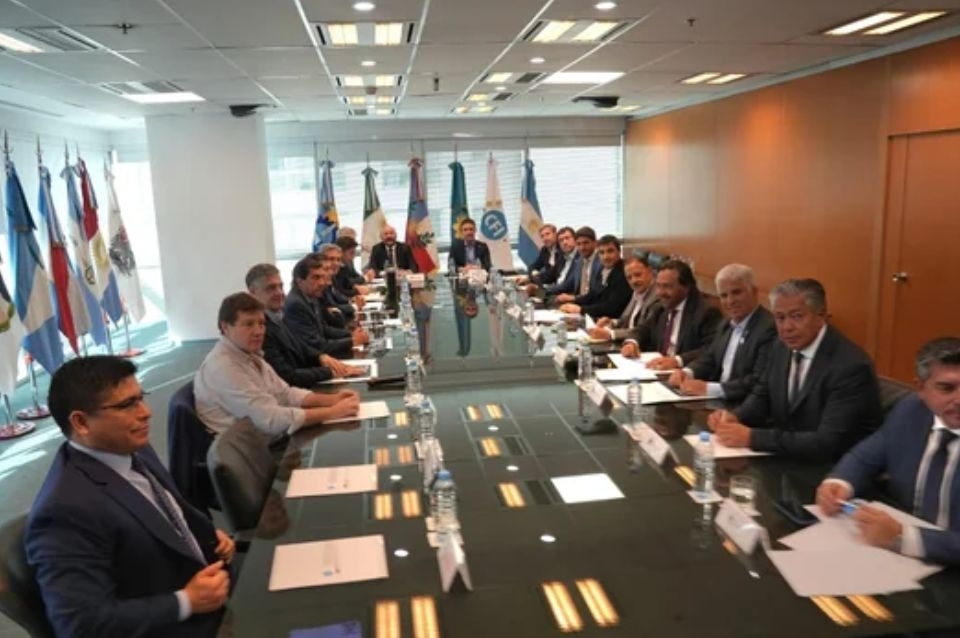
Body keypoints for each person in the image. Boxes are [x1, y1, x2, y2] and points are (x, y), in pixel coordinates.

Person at [26, 356, 235, 637]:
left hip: (217, 588)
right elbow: (78, 624)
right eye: (127, 405)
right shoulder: (64, 511)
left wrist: (207, 536)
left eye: (141, 398)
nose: (146, 412)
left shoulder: (132, 448)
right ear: (81, 422)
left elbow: (169, 512)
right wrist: (185, 602)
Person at [816, 337, 960, 565]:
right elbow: (864, 457)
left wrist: (905, 537)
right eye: (947, 388)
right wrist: (840, 482)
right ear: (920, 388)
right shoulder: (910, 411)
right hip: (896, 556)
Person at [708, 278, 882, 461]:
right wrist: (735, 418)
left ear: (821, 316)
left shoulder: (850, 366)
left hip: (833, 467)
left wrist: (752, 438)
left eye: (797, 316)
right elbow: (762, 397)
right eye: (780, 318)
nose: (787, 327)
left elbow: (827, 442)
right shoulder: (780, 347)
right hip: (788, 457)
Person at [194, 292, 360, 437]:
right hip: (254, 452)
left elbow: (286, 394)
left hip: (266, 437)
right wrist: (332, 412)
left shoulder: (248, 354)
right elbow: (271, 420)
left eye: (261, 323)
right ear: (225, 327)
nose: (258, 331)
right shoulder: (223, 368)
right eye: (249, 324)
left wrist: (332, 399)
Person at [667, 264, 776, 402]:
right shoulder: (726, 324)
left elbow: (757, 380)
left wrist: (709, 389)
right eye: (724, 295)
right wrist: (687, 372)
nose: (730, 301)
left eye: (737, 293)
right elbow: (710, 358)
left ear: (754, 292)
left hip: (743, 405)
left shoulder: (768, 328)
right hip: (716, 400)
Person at [246, 263, 365, 388]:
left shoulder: (277, 316)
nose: (279, 292)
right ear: (252, 292)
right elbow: (286, 376)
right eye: (271, 288)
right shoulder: (259, 329)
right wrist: (330, 372)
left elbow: (300, 346)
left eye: (280, 286)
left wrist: (320, 357)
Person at [621, 259, 722, 369]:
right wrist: (632, 342)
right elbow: (642, 329)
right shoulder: (660, 308)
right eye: (658, 286)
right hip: (658, 368)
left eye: (667, 286)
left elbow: (710, 349)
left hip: (685, 372)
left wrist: (677, 360)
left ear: (686, 287)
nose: (660, 293)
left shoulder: (706, 312)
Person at [285, 255, 367, 358]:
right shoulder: (296, 305)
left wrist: (350, 334)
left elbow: (323, 329)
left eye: (322, 277)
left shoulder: (311, 296)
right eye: (316, 277)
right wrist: (352, 341)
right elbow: (316, 345)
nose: (322, 283)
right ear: (300, 281)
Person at [558, 235, 631, 320]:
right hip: (599, 316)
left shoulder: (624, 272)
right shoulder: (604, 269)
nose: (606, 257)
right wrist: (574, 301)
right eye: (601, 252)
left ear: (619, 252)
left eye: (610, 251)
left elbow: (612, 307)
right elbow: (593, 294)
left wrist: (581, 309)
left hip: (611, 321)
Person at [588, 256, 658, 341]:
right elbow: (625, 319)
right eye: (629, 278)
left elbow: (643, 332)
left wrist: (611, 334)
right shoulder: (637, 291)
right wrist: (612, 322)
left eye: (638, 275)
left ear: (650, 271)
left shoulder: (657, 297)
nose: (634, 281)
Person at [553, 226, 601, 300]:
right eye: (579, 244)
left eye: (586, 243)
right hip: (579, 302)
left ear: (595, 243)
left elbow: (596, 294)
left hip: (591, 304)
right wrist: (540, 290)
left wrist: (574, 298)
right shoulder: (580, 261)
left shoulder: (601, 262)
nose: (582, 248)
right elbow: (567, 285)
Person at [527, 226, 577, 296]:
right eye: (561, 240)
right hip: (555, 291)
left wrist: (542, 290)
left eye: (567, 238)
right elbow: (550, 275)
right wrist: (531, 279)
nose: (564, 242)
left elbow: (568, 285)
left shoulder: (580, 259)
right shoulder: (562, 257)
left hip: (567, 295)